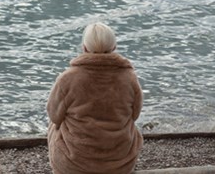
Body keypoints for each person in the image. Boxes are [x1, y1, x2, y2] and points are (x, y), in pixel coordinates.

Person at [47, 22, 143, 174]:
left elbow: (54, 116)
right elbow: (135, 114)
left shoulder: (68, 78)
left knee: (54, 123)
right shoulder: (129, 77)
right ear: (114, 47)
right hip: (120, 164)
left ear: (84, 48)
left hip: (73, 164)